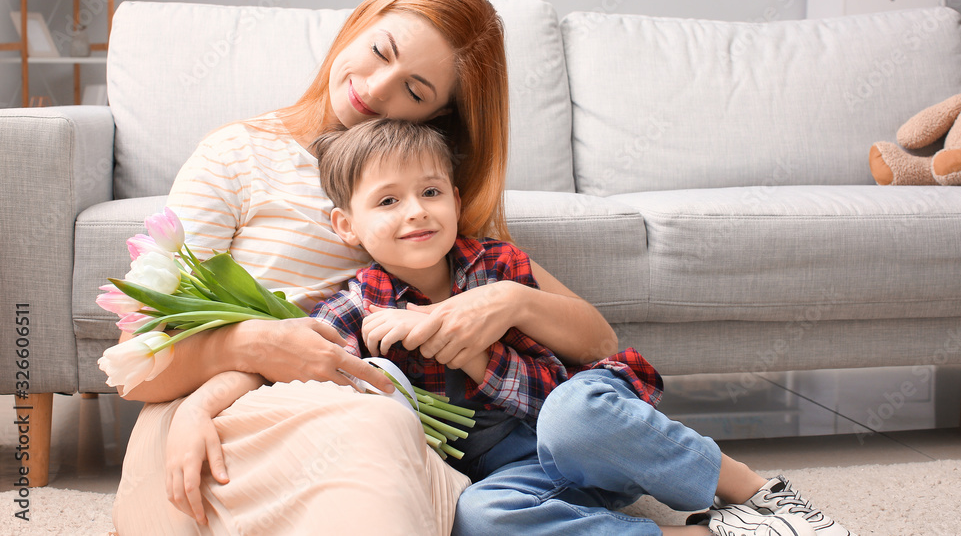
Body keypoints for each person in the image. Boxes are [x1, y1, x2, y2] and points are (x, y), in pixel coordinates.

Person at [111, 0, 618, 536]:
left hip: (379, 425)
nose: (377, 89)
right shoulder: (237, 156)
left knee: (394, 437)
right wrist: (253, 345)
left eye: (415, 92)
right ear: (360, 22)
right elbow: (135, 366)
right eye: (380, 51)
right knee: (376, 431)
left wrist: (509, 300)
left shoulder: (422, 199)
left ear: (436, 121)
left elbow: (600, 342)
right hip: (223, 415)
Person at [168, 119, 852, 536]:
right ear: (346, 226)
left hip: (587, 430)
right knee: (480, 520)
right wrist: (199, 405)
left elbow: (597, 340)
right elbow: (274, 359)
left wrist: (494, 303)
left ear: (457, 198)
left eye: (432, 191)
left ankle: (759, 495)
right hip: (517, 475)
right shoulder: (353, 308)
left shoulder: (495, 264)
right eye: (388, 199)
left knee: (575, 416)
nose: (416, 211)